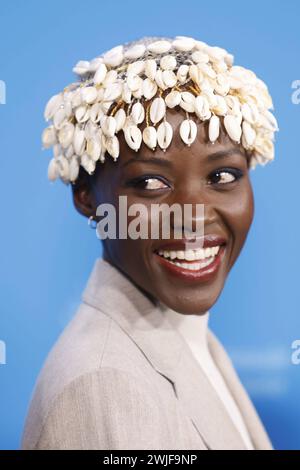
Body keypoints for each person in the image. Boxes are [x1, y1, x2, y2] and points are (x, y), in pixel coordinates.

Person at [21, 35, 278, 450]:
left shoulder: (190, 342)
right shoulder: (104, 387)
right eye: (150, 183)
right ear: (86, 196)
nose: (193, 215)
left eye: (222, 176)